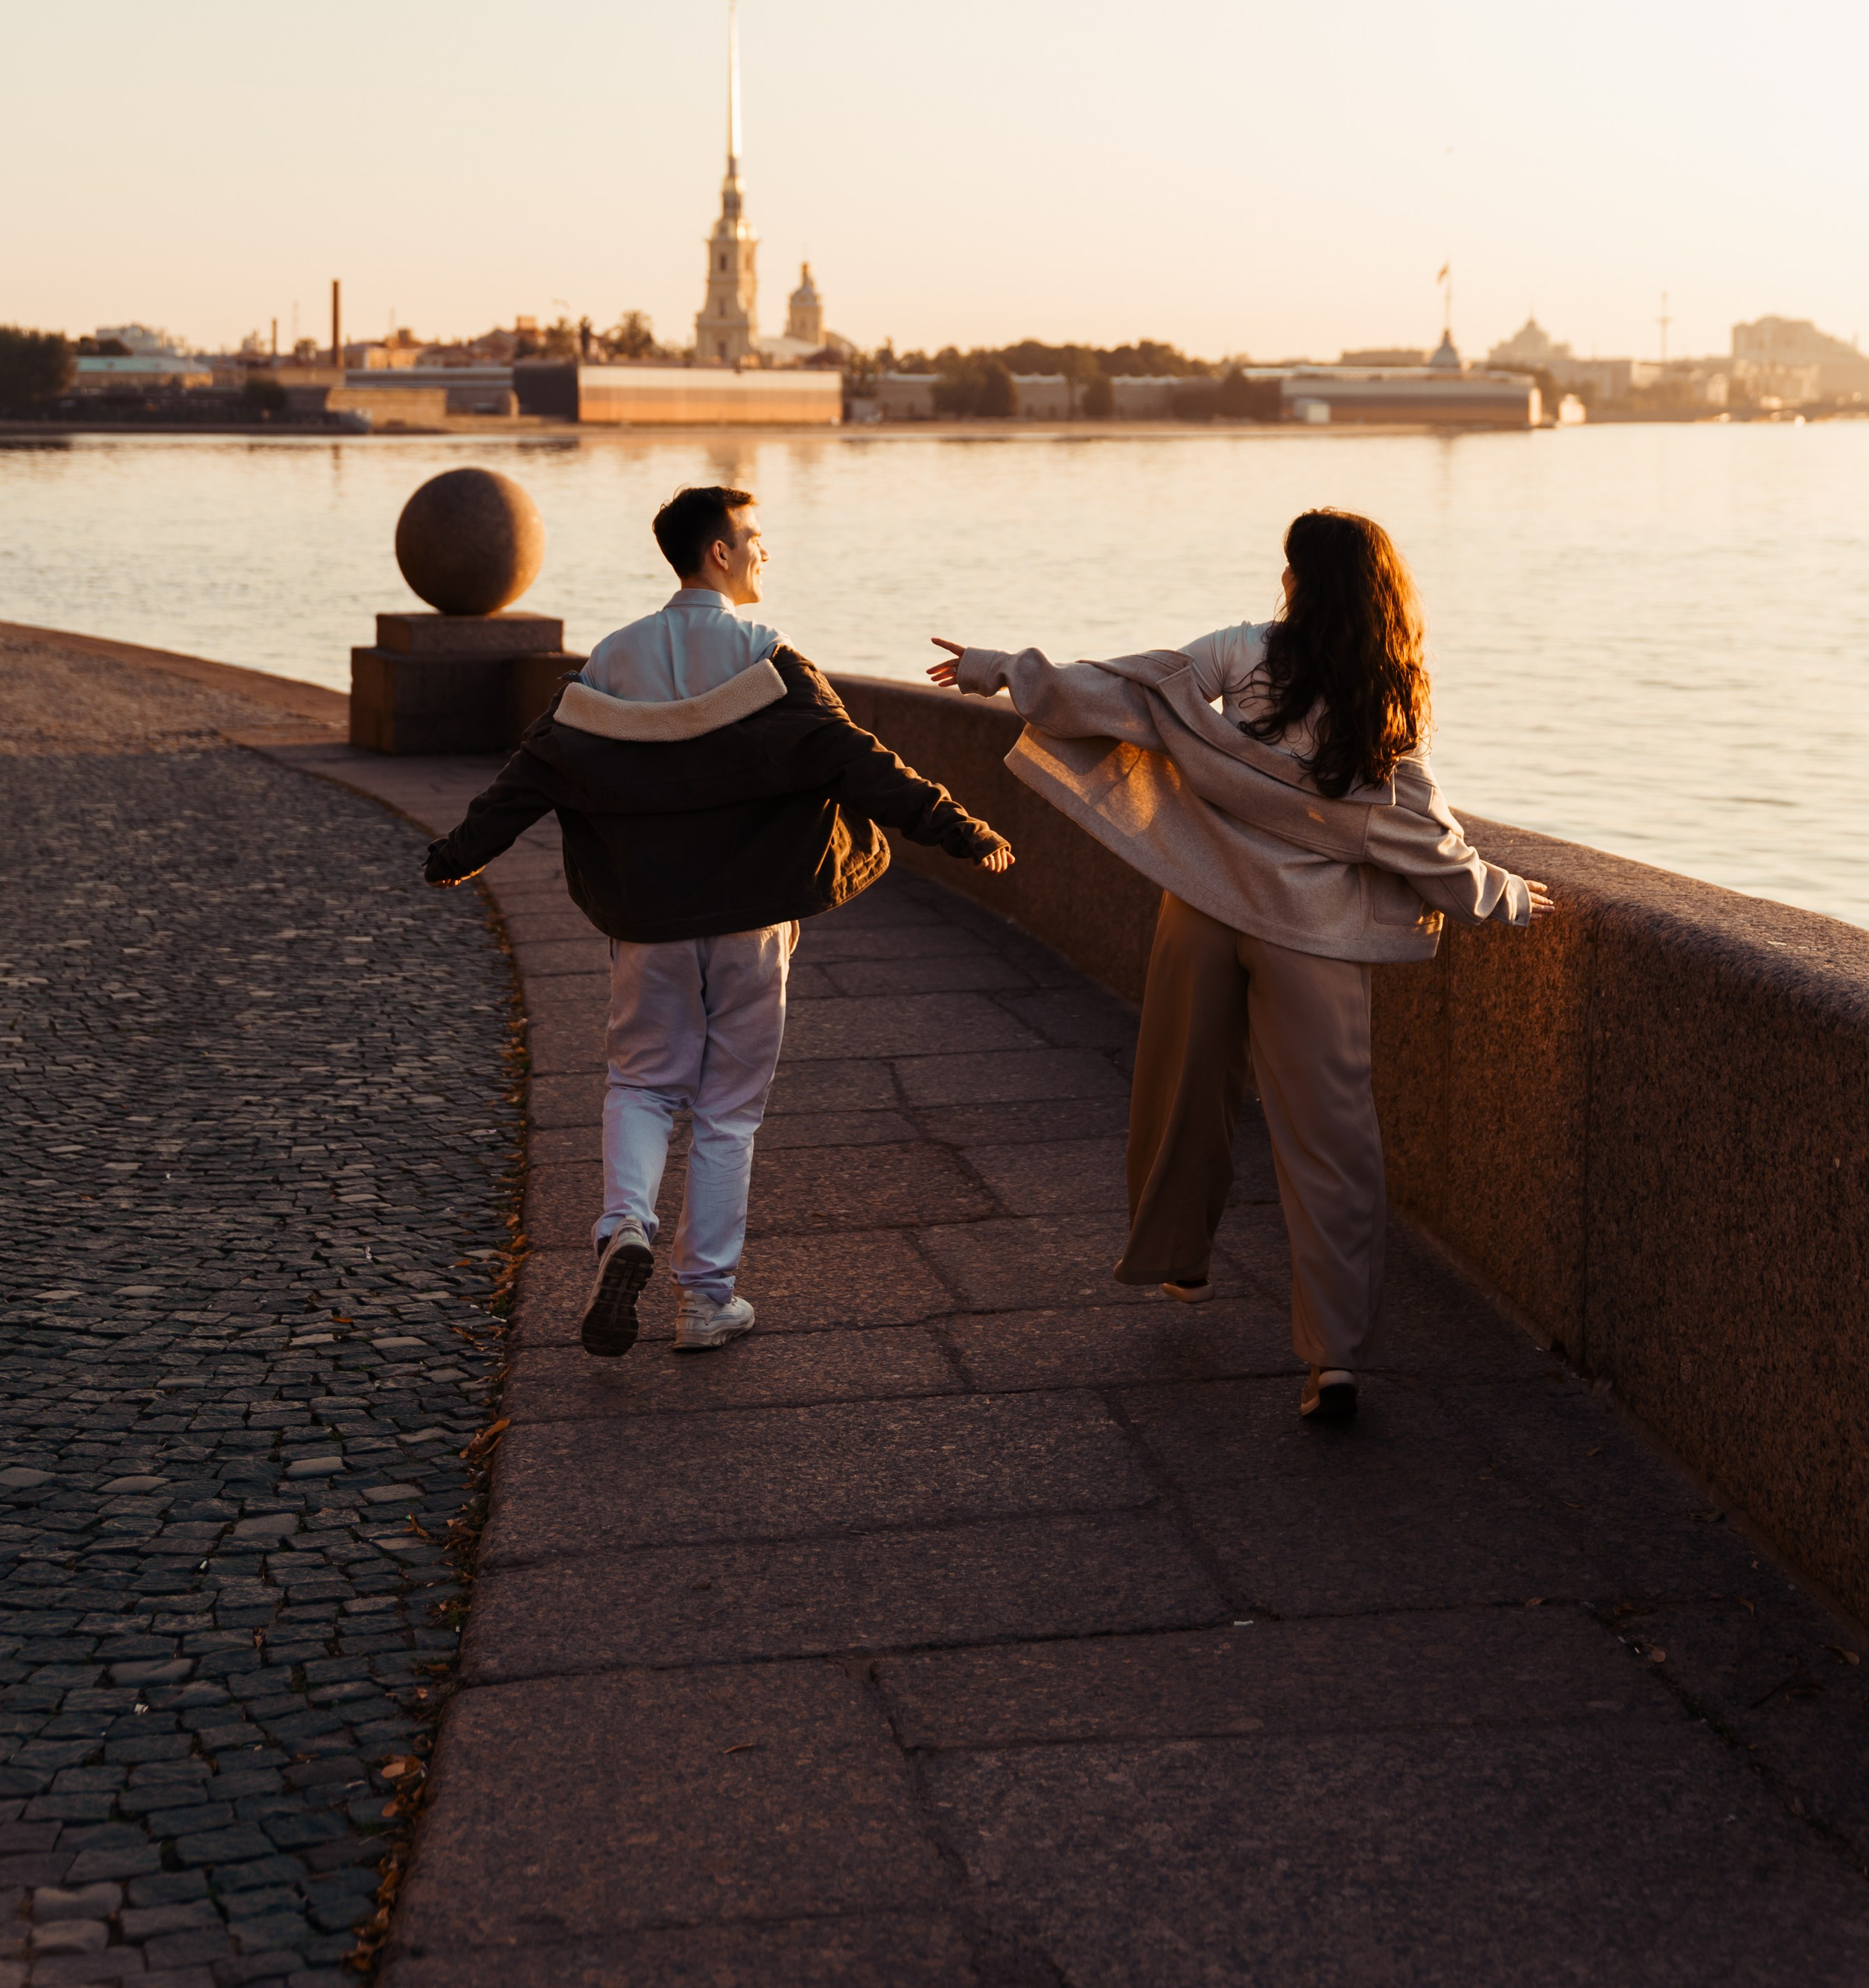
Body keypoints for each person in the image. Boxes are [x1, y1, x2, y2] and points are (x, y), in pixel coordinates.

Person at [928, 505, 1551, 1423]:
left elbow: (1131, 698)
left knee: (1181, 1088)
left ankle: (1179, 1257)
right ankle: (1331, 1358)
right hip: (1315, 940)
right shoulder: (1389, 684)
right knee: (1330, 1142)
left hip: (1208, 908)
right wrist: (1498, 892)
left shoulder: (1243, 650)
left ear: (1297, 579)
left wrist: (1005, 673)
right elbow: (1413, 829)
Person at [427, 484, 1012, 1357]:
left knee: (641, 1083)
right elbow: (862, 764)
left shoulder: (609, 663)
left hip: (648, 920)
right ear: (718, 554)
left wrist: (460, 853)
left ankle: (625, 1226)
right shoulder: (768, 660)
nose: (765, 552)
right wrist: (961, 831)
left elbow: (529, 776)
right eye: (755, 538)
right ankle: (705, 1302)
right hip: (751, 921)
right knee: (728, 1111)